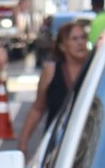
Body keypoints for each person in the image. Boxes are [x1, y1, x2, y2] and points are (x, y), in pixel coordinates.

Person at [18, 22, 90, 156]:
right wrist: (23, 144)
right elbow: (38, 109)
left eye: (83, 37)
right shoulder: (51, 71)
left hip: (89, 142)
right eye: (74, 39)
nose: (80, 43)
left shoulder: (95, 69)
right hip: (58, 145)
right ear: (63, 46)